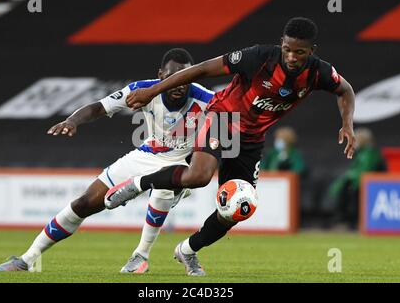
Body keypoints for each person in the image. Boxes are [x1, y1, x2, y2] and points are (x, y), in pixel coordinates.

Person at [105, 17, 356, 276]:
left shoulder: (319, 72)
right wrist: (154, 90)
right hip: (224, 118)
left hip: (251, 140)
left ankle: (188, 250)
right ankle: (138, 184)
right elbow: (201, 69)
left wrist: (347, 124)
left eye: (300, 52)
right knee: (199, 177)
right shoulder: (258, 57)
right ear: (281, 44)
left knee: (238, 209)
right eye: (287, 49)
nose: (292, 57)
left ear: (312, 52)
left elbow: (345, 90)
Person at [0, 48, 214, 273]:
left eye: (184, 77)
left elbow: (233, 126)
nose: (179, 84)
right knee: (84, 203)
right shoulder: (142, 90)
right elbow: (100, 106)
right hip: (146, 154)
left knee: (162, 190)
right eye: (171, 78)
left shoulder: (206, 99)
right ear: (160, 75)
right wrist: (72, 120)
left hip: (179, 162)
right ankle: (26, 260)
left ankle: (140, 256)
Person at [327, 127, 386, 229]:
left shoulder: (369, 153)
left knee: (354, 194)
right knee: (345, 190)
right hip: (358, 184)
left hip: (368, 186)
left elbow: (365, 171)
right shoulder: (361, 153)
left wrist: (352, 180)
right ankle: (343, 220)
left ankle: (353, 222)